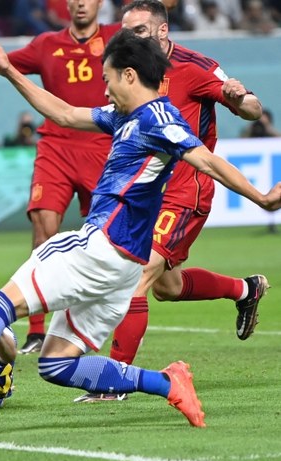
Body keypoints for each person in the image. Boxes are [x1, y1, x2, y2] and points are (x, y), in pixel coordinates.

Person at [0, 30, 281, 428]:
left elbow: (206, 159)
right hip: (122, 268)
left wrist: (262, 198)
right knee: (57, 363)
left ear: (129, 75)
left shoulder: (157, 118)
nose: (104, 90)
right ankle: (167, 382)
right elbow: (64, 112)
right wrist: (11, 71)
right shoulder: (128, 116)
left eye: (108, 79)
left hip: (98, 246)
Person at [76, 0, 269, 403]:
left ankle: (114, 385)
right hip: (147, 196)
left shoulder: (195, 66)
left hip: (186, 189)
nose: (132, 39)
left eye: (141, 32)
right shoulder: (133, 73)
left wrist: (238, 97)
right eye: (127, 32)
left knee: (138, 275)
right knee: (166, 286)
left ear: (163, 32)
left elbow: (253, 108)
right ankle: (244, 290)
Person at [0, 0, 119, 354]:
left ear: (99, 4)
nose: (80, 4)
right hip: (56, 148)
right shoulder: (47, 44)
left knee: (108, 242)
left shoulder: (116, 39)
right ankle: (36, 328)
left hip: (103, 151)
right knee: (43, 230)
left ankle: (92, 321)